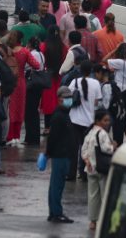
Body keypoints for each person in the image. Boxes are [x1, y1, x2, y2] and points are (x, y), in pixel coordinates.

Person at [45, 86, 78, 223]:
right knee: (57, 185)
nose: (69, 101)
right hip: (60, 155)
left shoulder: (63, 114)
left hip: (64, 154)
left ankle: (54, 212)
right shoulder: (59, 116)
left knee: (56, 184)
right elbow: (53, 137)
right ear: (59, 100)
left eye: (70, 98)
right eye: (66, 98)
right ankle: (56, 213)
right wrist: (48, 153)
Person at [67, 61, 102, 179]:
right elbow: (97, 101)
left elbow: (68, 96)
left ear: (80, 70)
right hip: (89, 121)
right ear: (91, 70)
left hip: (74, 119)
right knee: (86, 148)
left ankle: (71, 174)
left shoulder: (74, 82)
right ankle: (84, 173)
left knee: (73, 148)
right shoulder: (96, 83)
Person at [81, 108, 114, 231]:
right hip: (102, 169)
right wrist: (113, 146)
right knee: (105, 195)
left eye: (108, 120)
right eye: (105, 120)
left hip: (90, 169)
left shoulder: (89, 133)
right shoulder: (103, 134)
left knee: (93, 196)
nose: (107, 123)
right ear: (98, 121)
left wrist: (87, 161)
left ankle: (93, 221)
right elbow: (107, 149)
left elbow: (83, 151)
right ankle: (105, 220)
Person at [6, 30, 40, 145]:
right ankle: (16, 136)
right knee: (19, 109)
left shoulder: (7, 51)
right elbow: (36, 65)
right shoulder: (24, 52)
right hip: (21, 83)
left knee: (9, 109)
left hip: (8, 83)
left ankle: (9, 136)